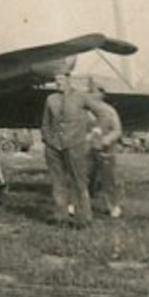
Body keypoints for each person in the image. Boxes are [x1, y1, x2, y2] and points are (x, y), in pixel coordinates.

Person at [40, 71, 93, 226]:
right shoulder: (50, 99)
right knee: (58, 182)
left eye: (62, 80)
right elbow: (45, 123)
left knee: (78, 181)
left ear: (69, 80)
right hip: (54, 146)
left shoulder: (81, 97)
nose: (58, 83)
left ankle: (83, 218)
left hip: (75, 145)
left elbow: (100, 114)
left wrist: (90, 135)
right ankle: (61, 217)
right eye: (56, 80)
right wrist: (48, 139)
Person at [83, 79, 124, 218]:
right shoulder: (84, 112)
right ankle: (81, 206)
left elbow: (117, 130)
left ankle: (113, 207)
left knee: (109, 179)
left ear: (102, 94)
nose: (92, 94)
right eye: (90, 92)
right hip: (87, 150)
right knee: (83, 178)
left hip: (106, 150)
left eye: (95, 92)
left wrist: (108, 139)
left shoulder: (109, 111)